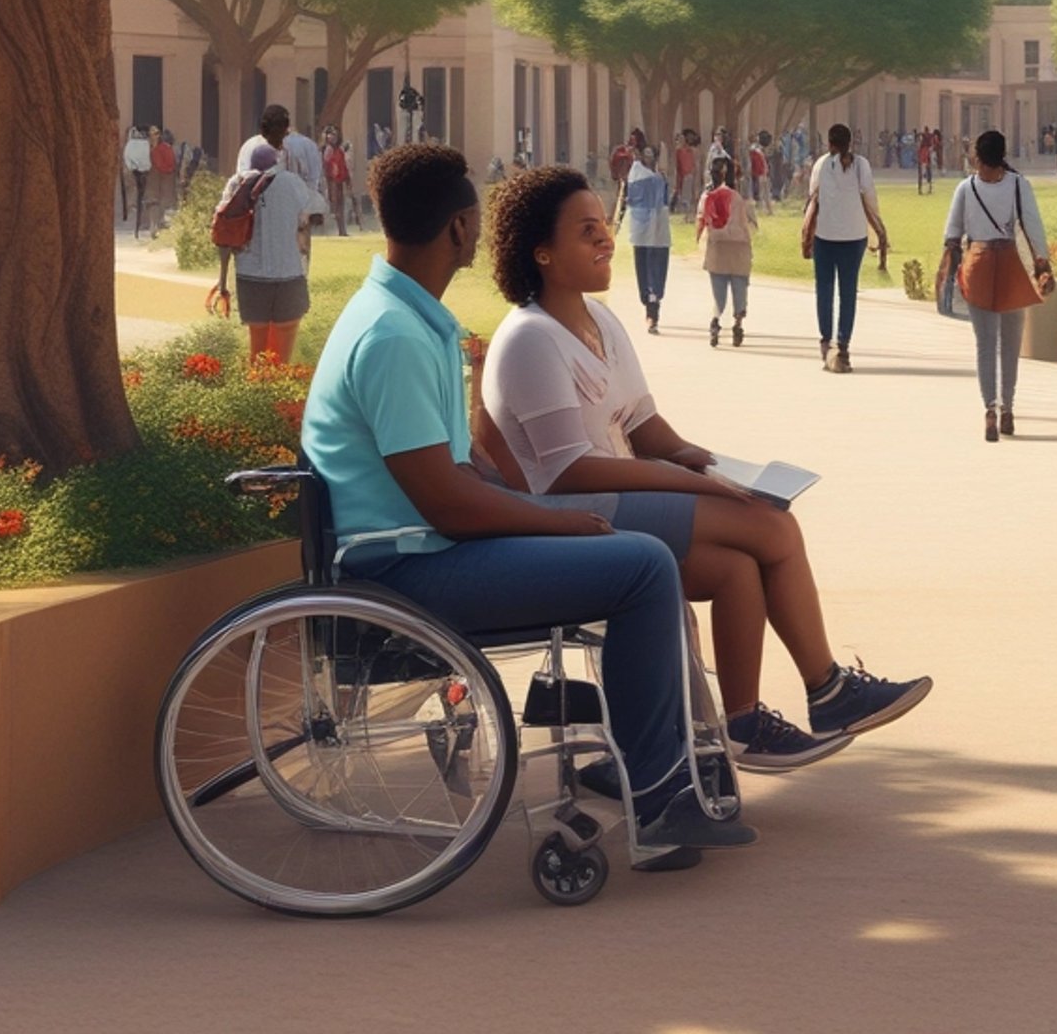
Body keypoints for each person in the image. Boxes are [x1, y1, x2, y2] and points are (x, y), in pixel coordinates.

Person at [302, 145, 754, 854]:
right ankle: (659, 793)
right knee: (640, 565)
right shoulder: (392, 336)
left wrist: (538, 510)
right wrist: (560, 521)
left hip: (425, 548)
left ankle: (653, 764)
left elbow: (459, 473)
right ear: (458, 228)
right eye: (473, 222)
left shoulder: (402, 317)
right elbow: (448, 503)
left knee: (631, 553)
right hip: (408, 570)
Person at [476, 162, 931, 771]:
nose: (607, 239)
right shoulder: (530, 338)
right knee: (774, 529)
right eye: (586, 232)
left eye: (602, 225)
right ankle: (829, 690)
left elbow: (644, 427)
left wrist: (708, 462)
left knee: (737, 566)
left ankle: (741, 726)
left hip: (615, 498)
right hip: (569, 517)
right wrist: (686, 481)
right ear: (544, 254)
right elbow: (566, 473)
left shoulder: (600, 321)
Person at [941, 130, 1055, 442]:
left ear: (977, 155)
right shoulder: (1018, 184)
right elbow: (1033, 228)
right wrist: (1042, 265)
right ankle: (1008, 409)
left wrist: (947, 269)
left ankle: (989, 409)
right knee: (1010, 344)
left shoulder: (966, 188)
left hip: (978, 264)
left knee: (985, 344)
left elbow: (952, 233)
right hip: (1009, 265)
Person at [801, 123, 888, 373]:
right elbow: (870, 198)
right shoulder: (861, 166)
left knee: (824, 290)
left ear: (829, 143)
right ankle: (844, 344)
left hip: (824, 236)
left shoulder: (820, 165)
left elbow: (812, 195)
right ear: (851, 143)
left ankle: (826, 342)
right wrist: (878, 229)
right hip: (854, 236)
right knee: (848, 292)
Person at [215, 145, 312, 364]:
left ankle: (259, 390)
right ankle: (280, 389)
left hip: (250, 274)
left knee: (257, 345)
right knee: (285, 343)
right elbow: (304, 226)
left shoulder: (236, 183)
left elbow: (224, 235)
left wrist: (222, 284)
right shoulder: (293, 183)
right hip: (289, 272)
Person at [696, 155, 757, 348]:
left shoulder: (707, 197)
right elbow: (752, 226)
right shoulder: (741, 198)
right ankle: (738, 324)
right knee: (740, 291)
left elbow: (701, 221)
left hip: (717, 251)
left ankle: (716, 320)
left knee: (718, 293)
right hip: (739, 252)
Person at [614, 144, 673, 333]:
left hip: (658, 231)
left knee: (657, 267)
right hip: (641, 230)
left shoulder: (658, 178)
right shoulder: (637, 176)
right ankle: (650, 306)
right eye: (645, 154)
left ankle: (653, 306)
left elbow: (665, 202)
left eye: (651, 154)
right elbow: (627, 201)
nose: (648, 158)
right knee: (644, 268)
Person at [122, 124, 153, 236]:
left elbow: (126, 157)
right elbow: (149, 159)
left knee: (135, 199)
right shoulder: (146, 144)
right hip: (144, 173)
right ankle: (139, 226)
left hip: (134, 172)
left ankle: (136, 227)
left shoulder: (130, 144)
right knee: (142, 198)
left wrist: (131, 167)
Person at [322, 128, 352, 236]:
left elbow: (343, 165)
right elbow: (326, 165)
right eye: (331, 135)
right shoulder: (328, 150)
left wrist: (347, 179)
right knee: (335, 205)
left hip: (340, 180)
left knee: (341, 205)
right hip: (333, 181)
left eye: (335, 135)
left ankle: (342, 230)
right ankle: (338, 230)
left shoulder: (339, 150)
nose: (333, 137)